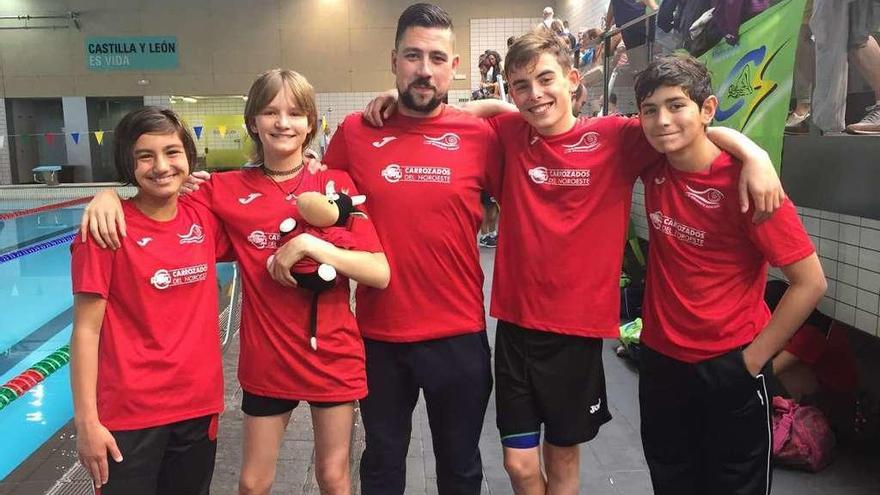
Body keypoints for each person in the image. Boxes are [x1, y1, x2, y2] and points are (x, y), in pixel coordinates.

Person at [362, 27, 786, 495]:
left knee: (562, 463)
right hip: (516, 332)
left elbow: (685, 127)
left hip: (576, 339)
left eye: (546, 80)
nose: (535, 95)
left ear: (572, 79)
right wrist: (399, 97)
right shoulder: (509, 131)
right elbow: (463, 111)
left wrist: (754, 153)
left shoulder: (618, 139)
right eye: (521, 86)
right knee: (520, 467)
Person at [79, 70, 390, 495]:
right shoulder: (222, 189)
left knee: (334, 477)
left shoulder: (336, 185)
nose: (283, 122)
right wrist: (107, 195)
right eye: (270, 111)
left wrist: (312, 247)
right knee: (251, 482)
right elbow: (156, 199)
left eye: (296, 113)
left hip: (334, 354)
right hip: (269, 360)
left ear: (312, 122)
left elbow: (379, 272)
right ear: (253, 121)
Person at [633, 55, 827, 495]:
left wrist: (751, 362)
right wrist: (752, 147)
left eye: (676, 105)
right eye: (650, 109)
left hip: (729, 364)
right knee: (672, 480)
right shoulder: (651, 164)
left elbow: (810, 282)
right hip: (661, 361)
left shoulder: (749, 185)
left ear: (707, 108)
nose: (662, 121)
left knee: (734, 485)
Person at [70, 107, 231, 493]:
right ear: (129, 162)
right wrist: (86, 422)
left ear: (188, 158)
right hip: (128, 416)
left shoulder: (203, 216)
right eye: (145, 155)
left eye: (172, 152)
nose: (161, 166)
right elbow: (86, 332)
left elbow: (268, 190)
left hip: (197, 406)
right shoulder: (106, 230)